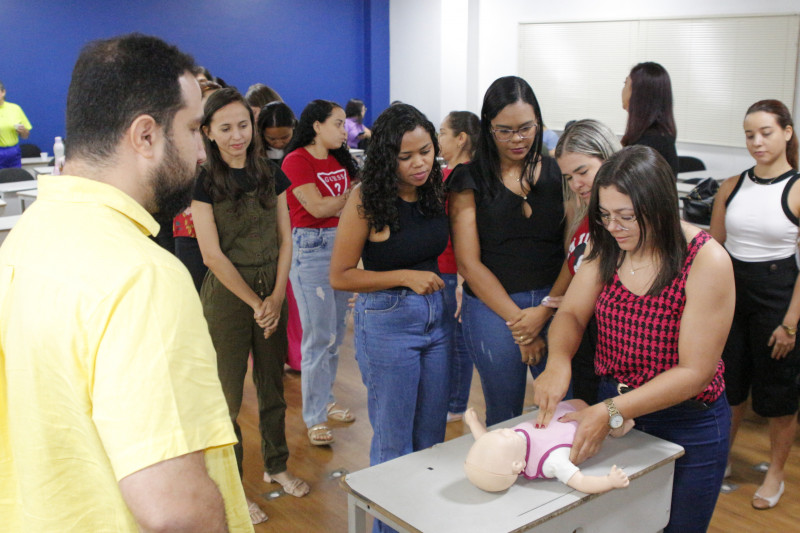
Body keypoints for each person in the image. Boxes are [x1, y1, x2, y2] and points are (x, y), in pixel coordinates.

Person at [0, 33, 251, 532]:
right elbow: (177, 512)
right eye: (195, 129)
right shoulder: (142, 277)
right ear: (145, 135)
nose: (204, 151)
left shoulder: (25, 238)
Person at [533, 145, 735, 533]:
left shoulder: (705, 259)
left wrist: (611, 410)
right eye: (606, 215)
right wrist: (558, 360)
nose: (614, 226)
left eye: (626, 216)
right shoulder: (606, 245)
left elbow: (694, 371)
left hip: (686, 421)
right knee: (617, 522)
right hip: (615, 408)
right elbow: (572, 313)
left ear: (660, 207)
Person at [330, 103, 450, 533]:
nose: (419, 164)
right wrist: (404, 276)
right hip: (388, 320)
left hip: (436, 321)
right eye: (406, 156)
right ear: (386, 157)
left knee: (430, 442)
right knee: (393, 445)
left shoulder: (434, 187)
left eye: (425, 151)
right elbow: (340, 275)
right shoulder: (366, 198)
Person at [192, 88, 309, 523]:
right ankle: (233, 488)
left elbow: (285, 238)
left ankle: (276, 465)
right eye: (225, 128)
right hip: (227, 295)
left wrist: (277, 296)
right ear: (209, 133)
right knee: (226, 397)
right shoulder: (204, 182)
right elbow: (211, 255)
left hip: (271, 289)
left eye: (243, 125)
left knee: (272, 387)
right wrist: (257, 301)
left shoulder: (271, 174)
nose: (237, 135)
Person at [448, 75, 571, 426]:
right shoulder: (468, 178)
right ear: (488, 128)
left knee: (563, 407)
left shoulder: (558, 172)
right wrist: (521, 324)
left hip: (555, 299)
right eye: (505, 130)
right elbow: (469, 263)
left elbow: (572, 252)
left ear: (539, 123)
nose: (517, 139)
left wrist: (543, 312)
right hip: (492, 304)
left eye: (525, 128)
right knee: (505, 414)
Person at [709, 99, 799, 511]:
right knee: (730, 387)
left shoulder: (796, 188)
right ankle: (721, 459)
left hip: (778, 298)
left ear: (786, 132)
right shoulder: (731, 186)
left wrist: (791, 324)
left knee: (778, 395)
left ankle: (776, 473)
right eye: (749, 134)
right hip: (733, 294)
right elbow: (713, 249)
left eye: (765, 132)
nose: (757, 141)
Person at [282, 99, 358, 445]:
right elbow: (316, 206)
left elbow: (344, 207)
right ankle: (313, 416)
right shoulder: (296, 160)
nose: (345, 131)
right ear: (316, 125)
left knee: (334, 334)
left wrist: (347, 200)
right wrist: (353, 196)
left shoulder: (341, 160)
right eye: (338, 124)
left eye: (344, 124)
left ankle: (325, 400)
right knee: (317, 338)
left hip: (342, 244)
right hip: (311, 249)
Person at [550, 119, 622, 403]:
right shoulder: (586, 213)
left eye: (583, 172)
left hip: (615, 348)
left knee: (613, 417)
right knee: (588, 410)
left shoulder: (621, 221)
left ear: (609, 159)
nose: (576, 184)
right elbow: (575, 265)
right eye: (568, 177)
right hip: (584, 337)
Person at [463, 402, 631, 493]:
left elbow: (484, 440)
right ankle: (621, 427)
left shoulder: (508, 445)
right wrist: (609, 481)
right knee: (615, 425)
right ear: (517, 465)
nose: (503, 430)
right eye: (503, 435)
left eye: (498, 432)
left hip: (568, 407)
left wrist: (473, 423)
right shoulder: (551, 461)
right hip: (594, 423)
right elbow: (581, 482)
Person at [437, 110, 480, 422]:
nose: (439, 140)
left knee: (457, 341)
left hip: (454, 269)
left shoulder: (467, 176)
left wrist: (465, 280)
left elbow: (468, 233)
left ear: (461, 138)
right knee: (445, 337)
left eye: (442, 133)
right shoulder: (444, 174)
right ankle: (448, 400)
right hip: (439, 267)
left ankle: (455, 404)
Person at [621, 62, 679, 177]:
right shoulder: (660, 137)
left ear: (638, 93)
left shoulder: (647, 145)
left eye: (625, 83)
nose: (623, 89)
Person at [0, 80, 32, 169]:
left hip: (13, 152)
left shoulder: (15, 108)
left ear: (3, 92)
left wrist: (23, 131)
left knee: (15, 178)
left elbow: (26, 136)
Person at [258, 101, 296, 166]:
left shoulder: (304, 145)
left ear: (293, 127)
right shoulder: (253, 150)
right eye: (272, 139)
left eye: (285, 137)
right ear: (262, 133)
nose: (279, 144)